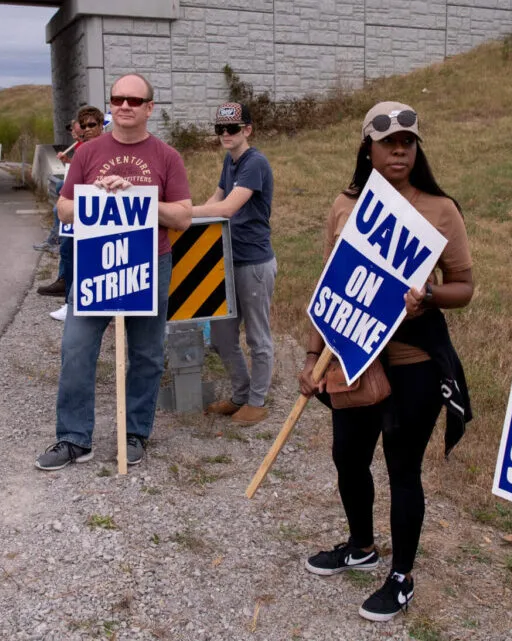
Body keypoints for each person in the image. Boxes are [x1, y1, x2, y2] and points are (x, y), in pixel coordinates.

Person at [298, 101, 474, 621]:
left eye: (408, 143)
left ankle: (402, 576)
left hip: (414, 360)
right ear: (367, 149)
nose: (399, 150)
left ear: (417, 149)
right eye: (388, 143)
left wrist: (430, 295)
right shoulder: (345, 205)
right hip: (352, 356)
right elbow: (330, 285)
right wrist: (313, 356)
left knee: (402, 468)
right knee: (347, 457)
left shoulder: (440, 208)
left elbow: (464, 285)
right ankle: (360, 545)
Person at [34, 73, 192, 470]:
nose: (124, 105)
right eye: (118, 98)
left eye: (134, 101)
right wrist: (97, 194)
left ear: (149, 108)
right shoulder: (88, 153)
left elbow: (184, 217)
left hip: (149, 262)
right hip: (95, 262)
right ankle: (73, 438)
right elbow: (65, 208)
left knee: (147, 354)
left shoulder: (167, 157)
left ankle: (134, 432)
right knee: (76, 349)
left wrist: (139, 200)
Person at [193, 102, 277, 426]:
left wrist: (183, 213)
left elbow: (227, 208)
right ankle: (240, 395)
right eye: (220, 129)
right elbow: (215, 200)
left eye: (232, 128)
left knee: (258, 336)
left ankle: (256, 402)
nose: (225, 135)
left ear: (247, 129)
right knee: (222, 335)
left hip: (254, 263)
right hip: (228, 260)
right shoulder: (231, 161)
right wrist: (191, 212)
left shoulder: (255, 162)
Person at [39, 107, 104, 322]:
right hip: (75, 213)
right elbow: (71, 183)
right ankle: (70, 302)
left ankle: (83, 302)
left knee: (89, 258)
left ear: (101, 126)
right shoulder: (82, 149)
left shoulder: (104, 149)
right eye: (83, 126)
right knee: (69, 253)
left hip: (96, 213)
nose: (87, 130)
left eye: (91, 125)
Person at [32, 119, 79, 254]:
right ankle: (56, 240)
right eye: (71, 130)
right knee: (57, 206)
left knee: (58, 207)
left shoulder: (86, 146)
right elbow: (77, 168)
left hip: (83, 188)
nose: (72, 133)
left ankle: (56, 241)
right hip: (76, 186)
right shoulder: (79, 145)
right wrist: (68, 161)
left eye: (75, 129)